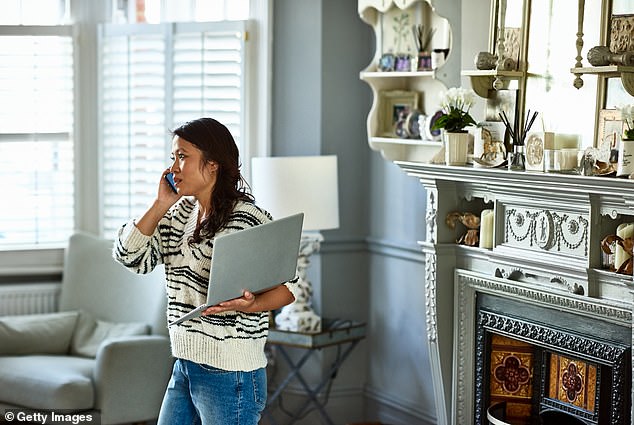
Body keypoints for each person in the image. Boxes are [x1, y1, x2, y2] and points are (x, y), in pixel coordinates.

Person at [113, 117, 300, 425]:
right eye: (173, 156)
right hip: (185, 364)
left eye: (183, 156)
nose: (174, 166)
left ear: (213, 164)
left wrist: (252, 304)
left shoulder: (247, 219)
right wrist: (160, 204)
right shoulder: (179, 215)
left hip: (232, 374)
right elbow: (129, 256)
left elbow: (288, 288)